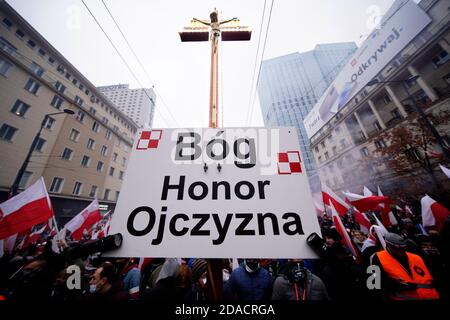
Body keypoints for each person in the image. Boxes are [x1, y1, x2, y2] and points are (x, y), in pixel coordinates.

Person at [370, 232, 440, 300]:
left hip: (431, 296)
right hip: (404, 296)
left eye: (402, 249)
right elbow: (374, 284)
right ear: (388, 245)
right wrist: (395, 284)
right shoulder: (376, 257)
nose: (400, 252)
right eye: (396, 249)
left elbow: (433, 275)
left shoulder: (416, 257)